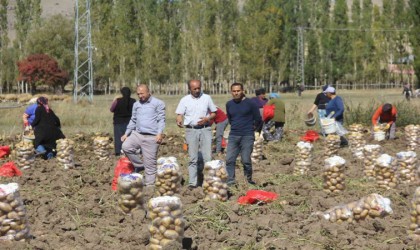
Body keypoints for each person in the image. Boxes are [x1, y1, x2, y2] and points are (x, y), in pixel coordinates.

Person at [175, 79, 217, 189]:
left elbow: (214, 113)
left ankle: (209, 181)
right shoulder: (184, 100)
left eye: (199, 88)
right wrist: (179, 119)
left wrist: (207, 118)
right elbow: (179, 114)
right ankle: (192, 183)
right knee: (192, 158)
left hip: (205, 129)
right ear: (190, 89)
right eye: (195, 89)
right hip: (191, 130)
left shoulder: (207, 98)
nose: (197, 90)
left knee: (207, 158)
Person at [121, 84, 165, 186]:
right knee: (126, 146)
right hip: (138, 134)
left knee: (150, 164)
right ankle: (140, 165)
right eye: (138, 94)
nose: (140, 96)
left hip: (151, 136)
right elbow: (133, 120)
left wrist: (159, 134)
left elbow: (161, 120)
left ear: (148, 92)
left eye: (142, 93)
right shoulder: (136, 105)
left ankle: (150, 186)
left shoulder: (158, 103)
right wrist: (126, 133)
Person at [225, 83, 262, 186]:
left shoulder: (250, 103)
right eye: (234, 91)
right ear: (231, 92)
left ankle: (248, 180)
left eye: (238, 91)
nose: (236, 93)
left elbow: (258, 119)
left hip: (247, 135)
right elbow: (230, 119)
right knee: (229, 159)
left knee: (245, 159)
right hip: (233, 135)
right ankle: (231, 180)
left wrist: (254, 130)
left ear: (242, 91)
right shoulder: (229, 104)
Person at [110, 87, 136, 156]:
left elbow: (111, 109)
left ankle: (118, 151)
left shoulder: (117, 101)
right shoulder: (133, 101)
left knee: (119, 137)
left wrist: (114, 100)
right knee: (130, 137)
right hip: (130, 122)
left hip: (118, 122)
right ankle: (130, 151)